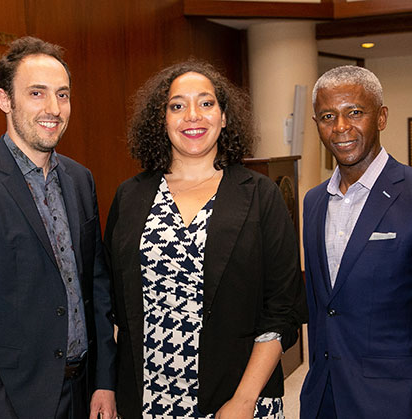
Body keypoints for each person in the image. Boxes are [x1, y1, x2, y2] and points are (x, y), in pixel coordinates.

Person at [104, 60, 308, 419]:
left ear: (224, 116)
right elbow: (114, 306)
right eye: (177, 106)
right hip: (148, 399)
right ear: (162, 119)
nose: (192, 116)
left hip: (239, 401)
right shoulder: (130, 197)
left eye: (207, 103)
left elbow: (282, 309)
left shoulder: (261, 195)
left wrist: (244, 401)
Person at [0, 36, 116, 419]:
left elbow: (96, 288)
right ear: (4, 100)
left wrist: (104, 381)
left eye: (62, 95)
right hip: (12, 400)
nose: (54, 108)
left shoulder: (81, 180)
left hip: (81, 392)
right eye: (37, 93)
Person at [299, 65, 412, 418]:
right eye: (327, 116)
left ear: (381, 118)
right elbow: (324, 312)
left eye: (355, 113)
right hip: (325, 399)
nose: (341, 128)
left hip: (395, 403)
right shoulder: (314, 202)